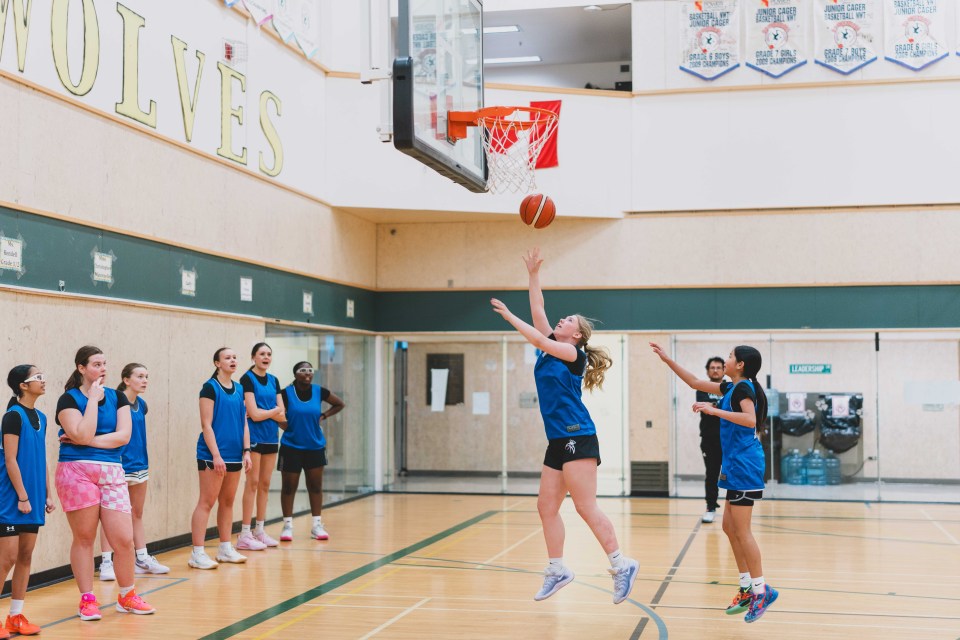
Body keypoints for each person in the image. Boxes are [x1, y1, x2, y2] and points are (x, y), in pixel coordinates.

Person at [490, 248, 639, 605]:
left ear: (577, 334)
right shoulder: (553, 347)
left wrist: (510, 317)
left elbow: (538, 337)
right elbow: (539, 311)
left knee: (585, 506)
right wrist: (533, 274)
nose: (561, 320)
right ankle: (558, 568)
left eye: (568, 320)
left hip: (578, 436)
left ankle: (621, 564)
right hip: (558, 439)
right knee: (546, 507)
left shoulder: (574, 355)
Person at [650, 342, 778, 623]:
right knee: (728, 527)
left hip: (745, 465)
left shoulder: (743, 388)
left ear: (741, 364)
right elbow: (695, 381)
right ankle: (746, 587)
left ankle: (761, 590)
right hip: (733, 464)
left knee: (742, 531)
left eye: (731, 356)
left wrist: (713, 411)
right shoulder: (731, 387)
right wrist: (667, 360)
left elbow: (749, 419)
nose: (727, 359)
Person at [56, 346, 156, 620]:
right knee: (85, 537)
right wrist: (91, 402)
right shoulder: (68, 399)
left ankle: (127, 596)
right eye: (96, 364)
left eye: (104, 363)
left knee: (123, 539)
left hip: (112, 471)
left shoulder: (118, 397)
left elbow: (122, 436)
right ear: (81, 368)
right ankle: (87, 599)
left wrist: (83, 440)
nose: (103, 368)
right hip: (76, 472)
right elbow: (82, 429)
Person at [99, 363, 168, 580]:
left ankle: (142, 557)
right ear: (126, 380)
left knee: (136, 513)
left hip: (140, 465)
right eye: (139, 376)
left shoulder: (142, 404)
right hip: (119, 465)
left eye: (146, 376)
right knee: (111, 516)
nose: (144, 380)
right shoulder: (114, 402)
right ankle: (106, 562)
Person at [0, 366, 55, 637]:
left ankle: (15, 617)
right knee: (6, 558)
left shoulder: (42, 418)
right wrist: (22, 496)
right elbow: (11, 460)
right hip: (12, 499)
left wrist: (46, 493)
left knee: (25, 555)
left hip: (32, 498)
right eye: (37, 378)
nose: (43, 381)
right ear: (23, 385)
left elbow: (40, 458)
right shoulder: (12, 417)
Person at [189, 347, 252, 569]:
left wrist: (246, 451)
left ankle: (225, 548)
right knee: (206, 502)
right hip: (212, 455)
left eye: (235, 357)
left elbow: (244, 422)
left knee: (227, 502)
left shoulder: (240, 388)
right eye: (227, 358)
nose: (233, 360)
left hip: (235, 455)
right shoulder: (210, 388)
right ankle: (197, 553)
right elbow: (206, 424)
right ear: (217, 363)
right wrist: (215, 455)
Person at [277, 361, 344, 542]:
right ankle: (288, 526)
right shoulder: (285, 393)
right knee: (289, 487)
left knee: (315, 486)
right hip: (291, 447)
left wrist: (324, 416)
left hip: (314, 446)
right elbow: (274, 412)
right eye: (303, 370)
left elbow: (339, 404)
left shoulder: (319, 391)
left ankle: (316, 525)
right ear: (295, 374)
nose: (307, 373)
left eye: (310, 370)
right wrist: (284, 425)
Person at [237, 343, 284, 551]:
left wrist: (269, 412)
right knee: (252, 483)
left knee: (265, 484)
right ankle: (245, 533)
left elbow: (282, 413)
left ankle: (260, 530)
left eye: (269, 354)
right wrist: (272, 411)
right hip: (253, 438)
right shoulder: (247, 379)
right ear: (253, 357)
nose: (266, 357)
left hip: (271, 438)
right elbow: (253, 414)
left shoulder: (274, 380)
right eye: (262, 354)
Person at [698, 357, 725, 523]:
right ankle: (710, 507)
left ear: (723, 370)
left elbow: (713, 407)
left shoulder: (731, 387)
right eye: (712, 367)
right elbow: (705, 408)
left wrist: (713, 406)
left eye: (718, 367)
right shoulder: (702, 387)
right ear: (708, 370)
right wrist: (720, 406)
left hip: (728, 439)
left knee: (730, 474)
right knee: (712, 474)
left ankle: (732, 507)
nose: (715, 370)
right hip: (709, 439)